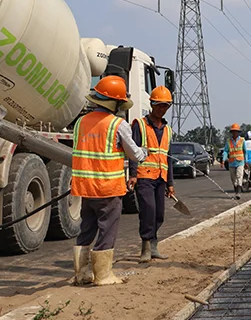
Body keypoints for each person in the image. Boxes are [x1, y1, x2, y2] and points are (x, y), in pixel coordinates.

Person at [72, 76, 147, 286]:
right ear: (115, 103)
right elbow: (135, 154)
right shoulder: (117, 124)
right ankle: (103, 276)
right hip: (107, 188)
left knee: (86, 228)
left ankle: (82, 274)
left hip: (85, 187)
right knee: (107, 228)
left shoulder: (80, 123)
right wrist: (144, 153)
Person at [128, 86, 175, 263]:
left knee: (159, 214)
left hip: (161, 177)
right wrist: (133, 174)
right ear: (152, 105)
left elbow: (168, 158)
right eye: (159, 105)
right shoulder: (140, 125)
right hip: (144, 176)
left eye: (165, 106)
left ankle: (154, 247)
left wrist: (170, 183)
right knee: (148, 210)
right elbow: (134, 151)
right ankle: (145, 247)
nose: (162, 109)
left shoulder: (168, 130)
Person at [225, 124, 246, 199]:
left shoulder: (242, 140)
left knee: (239, 176)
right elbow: (225, 151)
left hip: (240, 162)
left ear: (238, 132)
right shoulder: (228, 141)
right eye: (233, 132)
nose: (235, 133)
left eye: (236, 132)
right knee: (233, 179)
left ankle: (238, 193)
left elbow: (244, 151)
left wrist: (246, 162)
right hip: (231, 163)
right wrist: (223, 160)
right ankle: (236, 191)